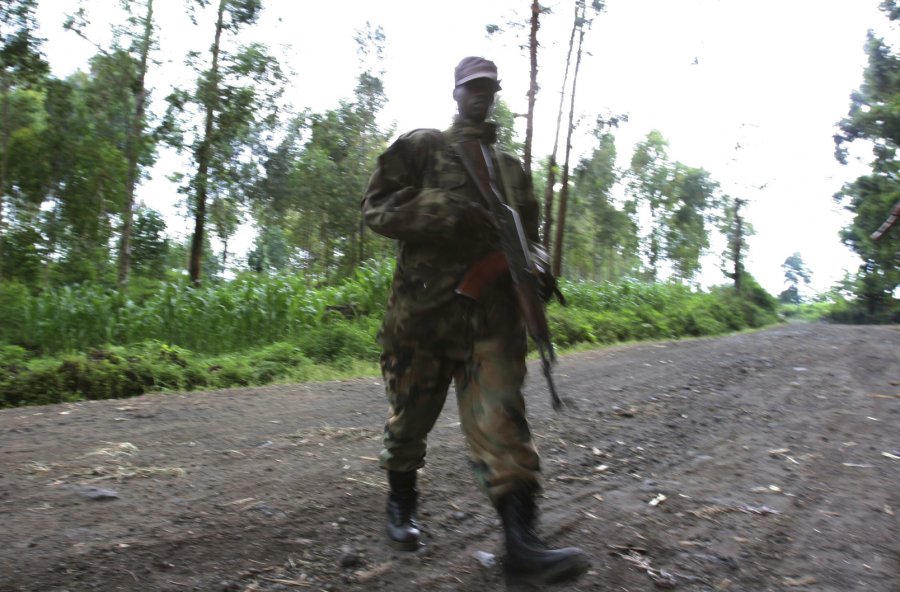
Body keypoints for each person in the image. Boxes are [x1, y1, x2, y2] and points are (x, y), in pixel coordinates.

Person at [361, 56, 590, 586]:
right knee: (409, 425)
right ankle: (401, 507)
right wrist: (448, 210)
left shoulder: (510, 171)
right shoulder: (423, 147)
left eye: (489, 88)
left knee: (503, 427)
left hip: (493, 322)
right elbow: (376, 208)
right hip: (423, 321)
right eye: (472, 88)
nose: (481, 96)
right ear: (456, 93)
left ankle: (522, 550)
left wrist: (537, 267)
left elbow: (528, 236)